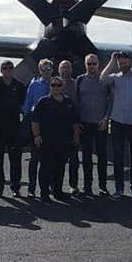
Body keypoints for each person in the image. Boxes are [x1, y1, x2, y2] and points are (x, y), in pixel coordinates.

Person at [100, 51, 132, 198]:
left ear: (130, 62)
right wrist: (111, 61)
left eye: (125, 62)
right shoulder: (115, 78)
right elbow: (102, 79)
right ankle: (119, 189)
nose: (122, 65)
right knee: (118, 156)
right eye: (120, 63)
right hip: (117, 121)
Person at [31, 76, 81, 203]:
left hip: (64, 141)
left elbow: (75, 121)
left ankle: (58, 192)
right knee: (45, 167)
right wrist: (37, 136)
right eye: (53, 85)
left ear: (62, 86)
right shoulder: (43, 101)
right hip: (47, 141)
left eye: (59, 85)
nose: (56, 87)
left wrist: (76, 135)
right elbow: (35, 120)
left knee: (60, 167)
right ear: (50, 86)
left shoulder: (68, 102)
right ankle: (44, 193)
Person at [0, 60, 26, 198]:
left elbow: (22, 105)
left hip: (14, 128)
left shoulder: (19, 86)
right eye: (4, 68)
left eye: (10, 67)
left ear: (13, 70)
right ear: (1, 70)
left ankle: (15, 187)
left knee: (15, 160)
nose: (7, 69)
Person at [75, 54, 110, 196]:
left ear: (98, 64)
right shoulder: (80, 80)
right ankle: (87, 186)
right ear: (85, 65)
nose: (91, 66)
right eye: (89, 64)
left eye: (94, 63)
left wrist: (106, 118)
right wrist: (76, 122)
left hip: (100, 124)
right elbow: (76, 102)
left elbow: (111, 100)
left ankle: (103, 186)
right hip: (85, 124)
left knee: (102, 156)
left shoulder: (104, 80)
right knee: (86, 157)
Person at [22, 58, 54, 198]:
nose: (46, 72)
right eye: (43, 69)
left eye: (48, 69)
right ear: (39, 71)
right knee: (34, 158)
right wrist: (27, 124)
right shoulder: (34, 85)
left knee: (50, 160)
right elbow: (27, 106)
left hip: (52, 127)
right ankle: (31, 187)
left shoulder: (56, 84)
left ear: (52, 70)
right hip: (37, 126)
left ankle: (49, 187)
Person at [58, 60, 81, 195]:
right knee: (56, 160)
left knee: (73, 160)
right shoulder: (54, 84)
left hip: (72, 127)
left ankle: (73, 185)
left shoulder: (77, 84)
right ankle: (56, 186)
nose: (65, 70)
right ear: (59, 69)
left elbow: (78, 106)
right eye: (63, 67)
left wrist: (77, 129)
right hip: (56, 129)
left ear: (72, 70)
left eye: (67, 67)